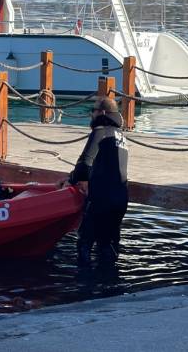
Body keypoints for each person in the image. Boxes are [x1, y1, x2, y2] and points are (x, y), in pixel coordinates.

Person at [61, 97, 128, 267]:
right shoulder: (121, 136)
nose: (91, 114)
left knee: (85, 242)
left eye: (93, 110)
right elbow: (106, 167)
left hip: (102, 198)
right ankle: (110, 283)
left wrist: (73, 180)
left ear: (102, 113)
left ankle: (86, 286)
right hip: (120, 198)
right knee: (108, 244)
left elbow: (85, 163)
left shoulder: (100, 131)